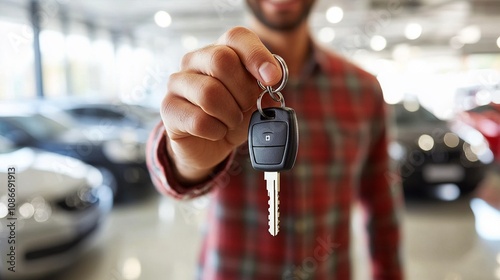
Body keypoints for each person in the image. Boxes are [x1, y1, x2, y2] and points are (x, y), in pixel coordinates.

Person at [146, 0, 404, 279]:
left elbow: (382, 205)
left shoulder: (363, 89)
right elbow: (167, 164)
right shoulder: (211, 78)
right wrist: (185, 159)